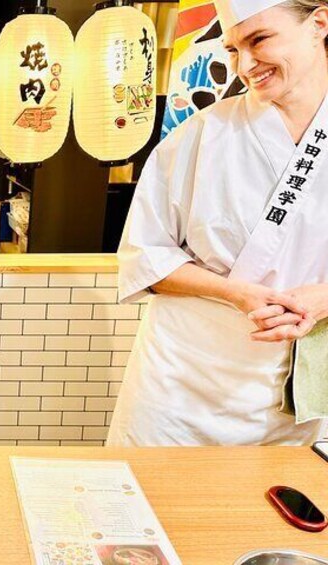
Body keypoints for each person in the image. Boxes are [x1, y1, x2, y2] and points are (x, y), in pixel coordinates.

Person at [107, 0, 328, 446]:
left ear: (319, 24)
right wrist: (237, 293)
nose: (245, 65)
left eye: (259, 40)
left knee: (274, 511)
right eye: (232, 49)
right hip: (182, 384)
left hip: (296, 391)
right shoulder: (201, 135)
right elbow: (143, 255)